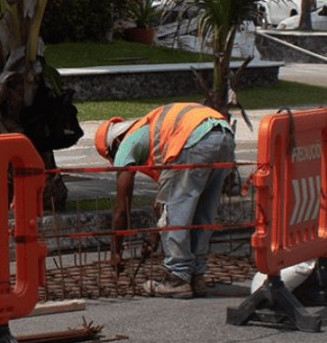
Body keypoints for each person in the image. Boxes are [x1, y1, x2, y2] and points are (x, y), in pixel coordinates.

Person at [95, 102, 236, 298]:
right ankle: (196, 275)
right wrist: (154, 236)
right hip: (223, 135)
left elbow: (121, 207)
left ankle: (178, 278)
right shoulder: (156, 134)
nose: (117, 160)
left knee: (178, 212)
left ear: (115, 143)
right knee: (203, 212)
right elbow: (164, 202)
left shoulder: (126, 143)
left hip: (194, 138)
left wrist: (115, 252)